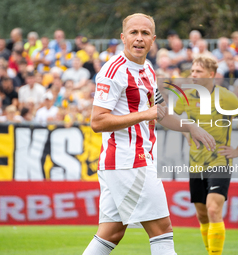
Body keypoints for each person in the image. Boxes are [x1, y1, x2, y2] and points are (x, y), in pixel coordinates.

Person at [83, 13, 215, 255]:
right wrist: (145, 114)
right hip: (129, 162)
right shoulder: (113, 71)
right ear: (123, 37)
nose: (139, 38)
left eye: (145, 33)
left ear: (153, 39)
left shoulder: (148, 69)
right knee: (162, 231)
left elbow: (160, 113)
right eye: (133, 33)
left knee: (111, 232)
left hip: (125, 162)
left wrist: (191, 126)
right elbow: (97, 121)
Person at [174, 56, 238, 255]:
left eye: (198, 71)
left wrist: (237, 150)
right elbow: (174, 118)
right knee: (202, 215)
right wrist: (186, 132)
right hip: (195, 163)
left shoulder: (226, 97)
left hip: (219, 160)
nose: (193, 75)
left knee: (213, 209)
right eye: (192, 71)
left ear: (211, 75)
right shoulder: (185, 97)